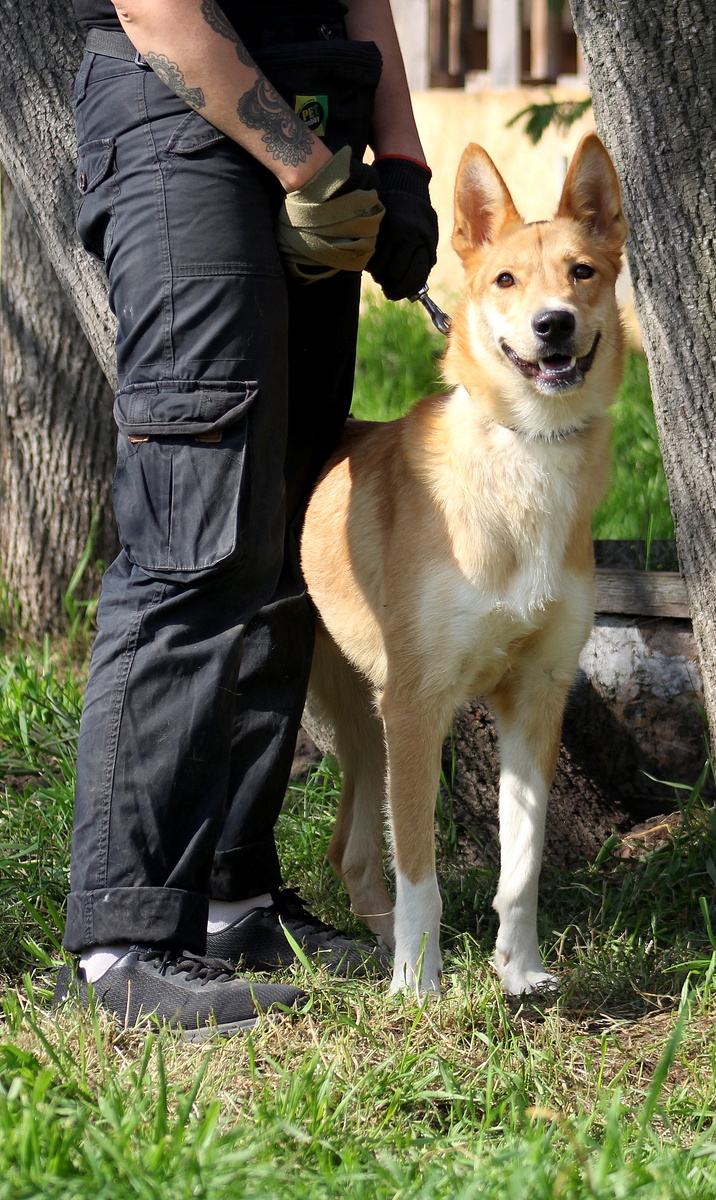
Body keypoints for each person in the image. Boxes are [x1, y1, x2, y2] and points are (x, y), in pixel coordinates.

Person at [57, 0, 437, 1037]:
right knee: (197, 533)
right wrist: (307, 169)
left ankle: (231, 901)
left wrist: (398, 162)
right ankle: (120, 940)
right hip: (180, 121)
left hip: (315, 115)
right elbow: (157, 8)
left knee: (282, 531)